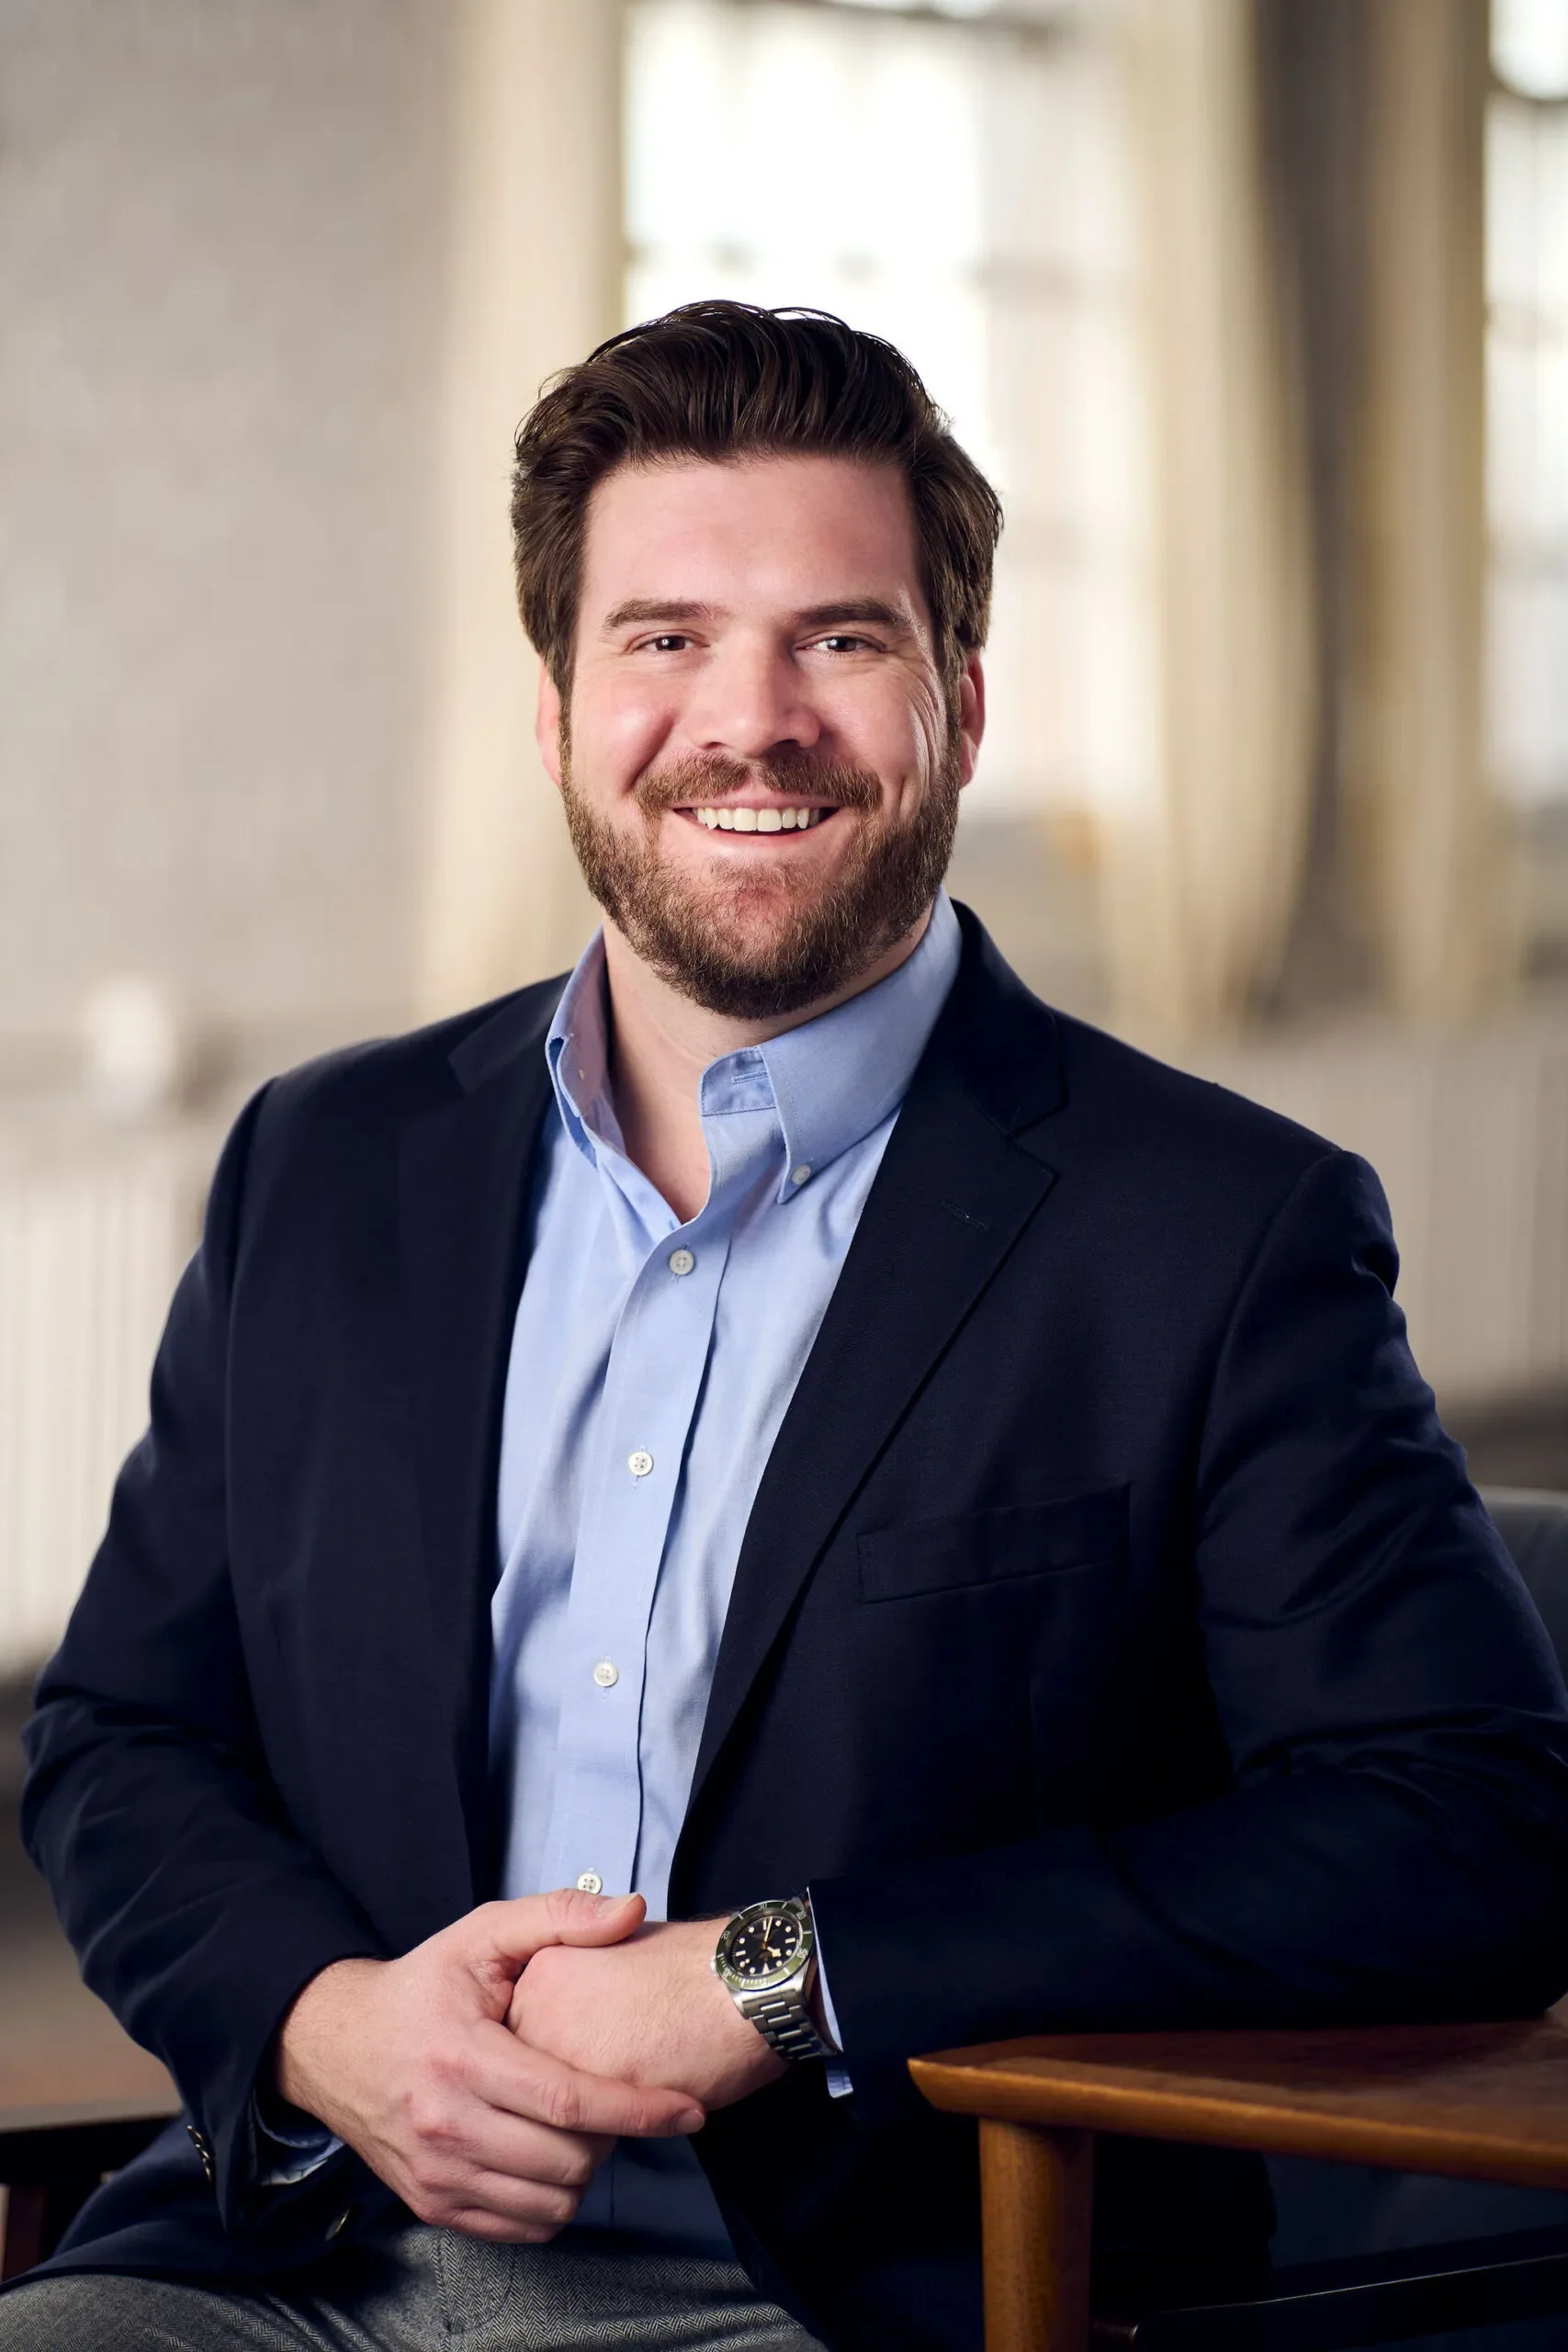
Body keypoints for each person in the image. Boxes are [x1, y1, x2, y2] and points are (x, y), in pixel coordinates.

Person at [8, 301, 1568, 2352]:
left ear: (964, 704)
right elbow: (125, 1731)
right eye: (663, 638)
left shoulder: (1213, 1226)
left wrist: (776, 1970)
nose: (752, 720)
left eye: (840, 636)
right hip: (296, 2242)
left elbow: (1458, 1823)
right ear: (554, 710)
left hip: (858, 2280)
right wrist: (328, 2024)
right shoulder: (329, 1160)